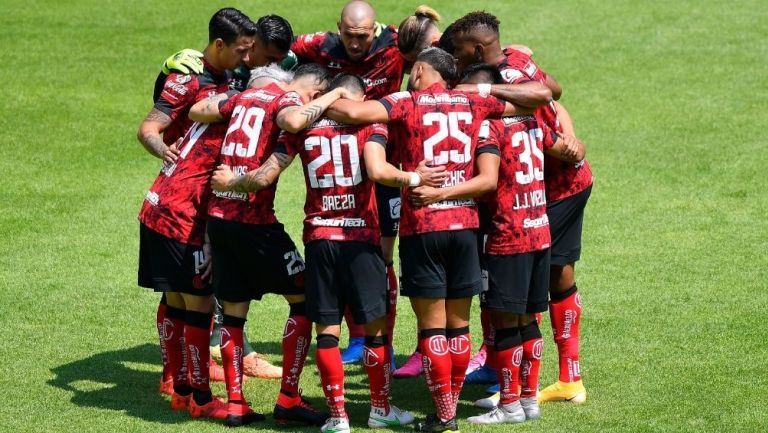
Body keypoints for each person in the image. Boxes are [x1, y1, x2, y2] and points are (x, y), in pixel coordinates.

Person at [326, 47, 551, 433]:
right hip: (464, 227)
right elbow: (540, 97)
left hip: (423, 228)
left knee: (432, 330)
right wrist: (484, 91)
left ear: (418, 72)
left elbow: (352, 113)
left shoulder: (404, 101)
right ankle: (462, 405)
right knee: (459, 327)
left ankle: (445, 413)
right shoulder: (472, 100)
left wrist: (320, 98)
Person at [209, 73, 450, 433]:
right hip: (360, 239)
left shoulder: (303, 131)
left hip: (319, 238)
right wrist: (416, 178)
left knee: (327, 332)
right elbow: (379, 171)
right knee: (375, 332)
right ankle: (380, 409)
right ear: (358, 98)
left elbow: (264, 176)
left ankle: (337, 417)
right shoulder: (372, 126)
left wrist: (232, 183)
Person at [186, 64, 343, 427]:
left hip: (219, 221)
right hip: (254, 225)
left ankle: (237, 405)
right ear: (314, 94)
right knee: (305, 299)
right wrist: (238, 179)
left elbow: (198, 109)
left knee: (234, 311)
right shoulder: (289, 101)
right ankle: (289, 397)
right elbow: (277, 152)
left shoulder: (244, 97)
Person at [450, 11, 593, 404]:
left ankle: (514, 385)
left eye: (460, 50)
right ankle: (564, 379)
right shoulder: (517, 59)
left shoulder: (506, 77)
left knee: (525, 281)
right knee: (555, 276)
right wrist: (566, 133)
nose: (456, 56)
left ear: (478, 48)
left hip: (553, 190)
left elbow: (544, 96)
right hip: (556, 184)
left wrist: (481, 94)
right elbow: (556, 92)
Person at [136, 6, 255, 404]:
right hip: (181, 207)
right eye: (241, 50)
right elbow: (150, 127)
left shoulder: (227, 76)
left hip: (163, 203)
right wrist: (165, 152)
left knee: (176, 296)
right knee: (196, 300)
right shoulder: (188, 77)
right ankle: (196, 393)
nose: (246, 58)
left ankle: (178, 382)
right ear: (219, 44)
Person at [290, 0, 409, 366]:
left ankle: (380, 340)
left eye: (362, 37)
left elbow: (439, 52)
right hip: (337, 161)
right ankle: (358, 339)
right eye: (349, 35)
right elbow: (275, 48)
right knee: (338, 242)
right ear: (338, 27)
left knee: (381, 254)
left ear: (374, 30)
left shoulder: (394, 43)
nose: (355, 45)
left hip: (384, 158)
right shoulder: (318, 46)